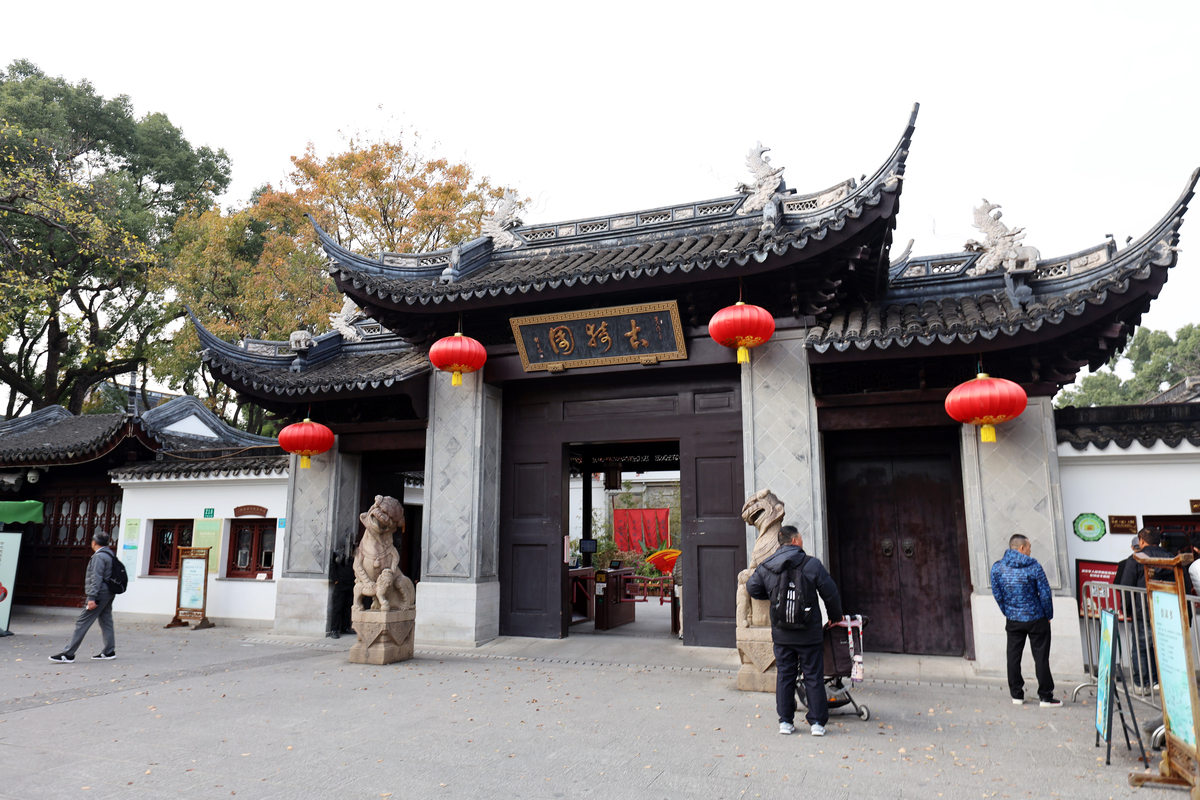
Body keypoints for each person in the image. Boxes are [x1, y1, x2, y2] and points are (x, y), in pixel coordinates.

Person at [747, 524, 843, 737]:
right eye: (800, 538)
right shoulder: (812, 564)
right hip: (809, 633)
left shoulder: (767, 565)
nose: (802, 541)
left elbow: (752, 587)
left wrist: (773, 596)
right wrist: (836, 616)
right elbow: (830, 593)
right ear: (794, 541)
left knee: (785, 675)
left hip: (782, 633)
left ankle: (785, 722)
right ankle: (817, 724)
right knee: (813, 675)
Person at [991, 534, 1060, 707]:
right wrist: (1048, 615)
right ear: (1022, 548)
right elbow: (1045, 594)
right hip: (1036, 618)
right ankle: (1045, 697)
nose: (1030, 550)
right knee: (1041, 658)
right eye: (1029, 547)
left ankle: (1017, 695)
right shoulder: (1034, 566)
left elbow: (997, 593)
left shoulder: (998, 567)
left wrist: (1008, 611)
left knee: (1013, 657)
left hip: (1013, 619)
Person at [49, 532, 118, 663]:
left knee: (82, 622)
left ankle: (68, 653)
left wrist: (92, 598)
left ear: (94, 543)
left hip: (99, 594)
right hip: (109, 592)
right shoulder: (110, 554)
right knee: (106, 621)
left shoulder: (99, 556)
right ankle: (109, 651)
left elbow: (96, 578)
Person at [329, 549, 356, 639]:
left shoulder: (353, 557)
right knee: (338, 608)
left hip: (350, 584)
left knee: (347, 607)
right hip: (340, 585)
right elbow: (333, 566)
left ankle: (346, 627)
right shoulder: (338, 554)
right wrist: (336, 580)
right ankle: (334, 630)